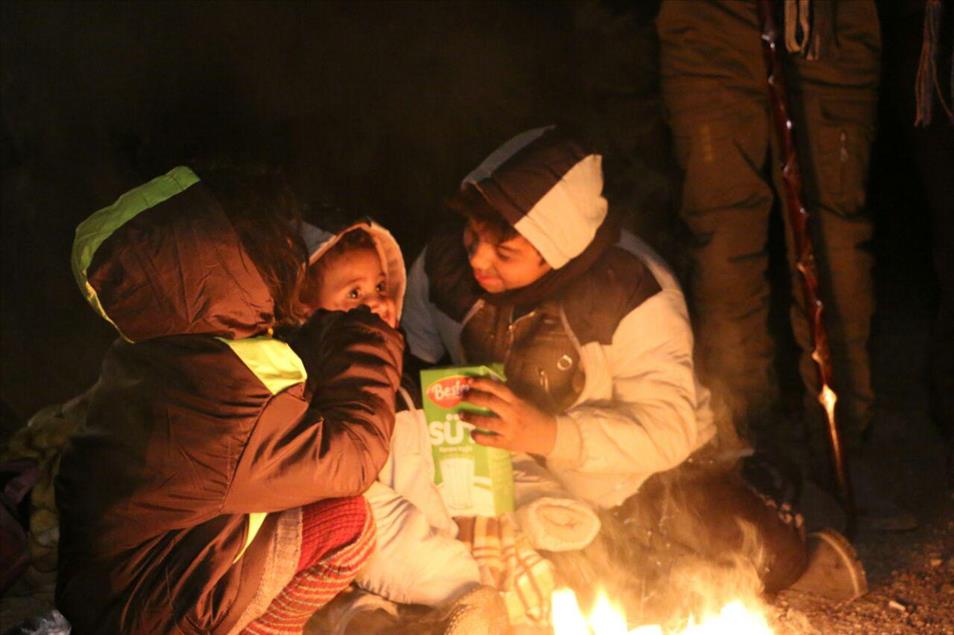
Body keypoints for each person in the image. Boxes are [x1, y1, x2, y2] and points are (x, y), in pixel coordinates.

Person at [400, 126, 828, 600]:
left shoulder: (633, 291)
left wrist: (549, 434)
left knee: (761, 557)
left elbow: (667, 430)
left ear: (557, 249)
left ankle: (755, 486)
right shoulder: (442, 268)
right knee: (539, 580)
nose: (478, 259)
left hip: (641, 475)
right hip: (511, 472)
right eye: (473, 236)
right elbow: (414, 365)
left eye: (505, 252)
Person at [54, 164, 404, 634]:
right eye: (265, 238)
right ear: (221, 260)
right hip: (153, 614)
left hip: (115, 590)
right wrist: (367, 332)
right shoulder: (228, 384)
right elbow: (356, 454)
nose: (286, 249)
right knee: (347, 522)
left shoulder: (158, 350)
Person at [654, 0, 915, 528]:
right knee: (723, 234)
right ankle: (748, 460)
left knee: (834, 230)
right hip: (710, 19)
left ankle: (844, 448)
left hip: (827, 20)